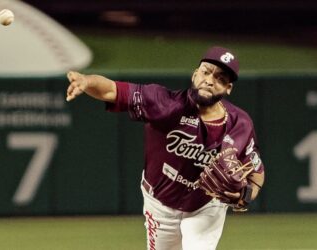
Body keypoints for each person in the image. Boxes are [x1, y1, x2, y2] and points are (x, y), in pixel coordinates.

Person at [66, 46, 265, 250]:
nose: (210, 80)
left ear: (228, 88)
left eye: (221, 78)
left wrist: (246, 195)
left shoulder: (240, 124)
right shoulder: (164, 103)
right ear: (195, 74)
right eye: (206, 72)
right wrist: (87, 81)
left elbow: (256, 174)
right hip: (159, 204)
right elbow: (112, 90)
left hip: (206, 206)